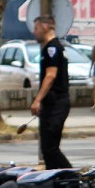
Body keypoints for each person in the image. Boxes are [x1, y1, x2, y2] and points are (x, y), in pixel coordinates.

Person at [31, 15, 72, 169]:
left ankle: (73, 178)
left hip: (57, 104)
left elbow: (50, 76)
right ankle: (54, 183)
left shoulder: (52, 48)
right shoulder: (50, 48)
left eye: (36, 28)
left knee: (50, 148)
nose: (34, 32)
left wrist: (37, 100)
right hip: (51, 105)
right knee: (47, 150)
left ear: (45, 27)